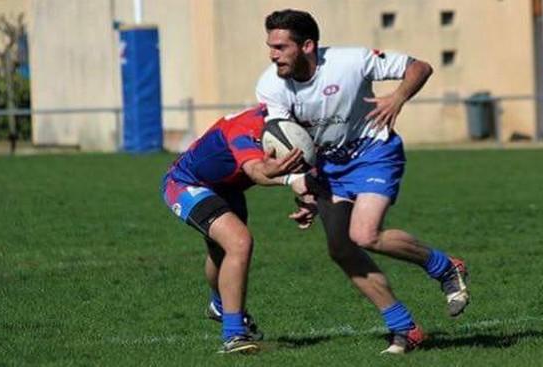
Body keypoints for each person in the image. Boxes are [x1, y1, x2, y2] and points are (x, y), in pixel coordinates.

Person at [256, 9, 470, 354]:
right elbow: (285, 142)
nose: (273, 54)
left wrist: (398, 97)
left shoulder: (350, 61)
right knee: (341, 248)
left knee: (364, 234)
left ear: (307, 45)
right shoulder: (270, 85)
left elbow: (420, 67)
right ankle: (405, 328)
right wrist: (303, 188)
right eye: (270, 46)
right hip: (328, 167)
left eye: (281, 47)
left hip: (374, 153)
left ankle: (445, 267)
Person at [160, 105, 307, 354]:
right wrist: (292, 179)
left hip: (228, 188)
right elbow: (255, 171)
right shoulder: (246, 127)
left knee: (222, 252)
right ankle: (234, 336)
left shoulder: (304, 114)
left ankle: (219, 306)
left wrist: (310, 196)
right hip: (186, 183)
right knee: (239, 242)